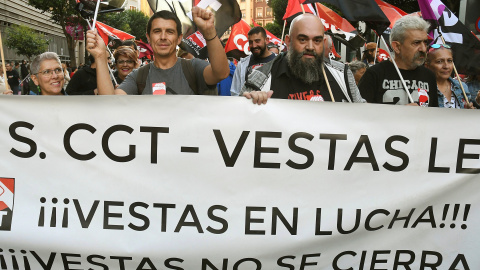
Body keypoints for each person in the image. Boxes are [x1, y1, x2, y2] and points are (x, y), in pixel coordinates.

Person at [87, 7, 229, 95]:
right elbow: (110, 104)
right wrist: (100, 56)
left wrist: (209, 31)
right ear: (148, 37)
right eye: (157, 31)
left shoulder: (193, 67)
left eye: (169, 32)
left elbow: (221, 73)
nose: (163, 37)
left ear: (179, 38)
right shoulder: (138, 77)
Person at [241, 14, 364, 104]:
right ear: (288, 42)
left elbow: (364, 117)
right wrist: (251, 103)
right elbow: (239, 121)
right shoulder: (259, 79)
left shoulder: (342, 75)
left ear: (324, 42)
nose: (310, 47)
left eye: (317, 40)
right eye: (303, 39)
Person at [358, 15, 438, 107]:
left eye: (425, 42)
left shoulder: (429, 76)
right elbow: (360, 113)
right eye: (416, 43)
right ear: (397, 47)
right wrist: (400, 113)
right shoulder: (374, 74)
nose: (423, 49)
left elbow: (433, 115)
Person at [425, 44, 476, 109]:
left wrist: (468, 111)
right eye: (439, 61)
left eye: (449, 61)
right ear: (427, 66)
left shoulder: (462, 87)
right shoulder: (423, 89)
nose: (446, 66)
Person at [230, 26, 276, 96]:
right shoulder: (242, 65)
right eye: (250, 42)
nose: (254, 45)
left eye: (257, 41)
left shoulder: (279, 61)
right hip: (247, 106)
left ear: (266, 40)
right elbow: (235, 92)